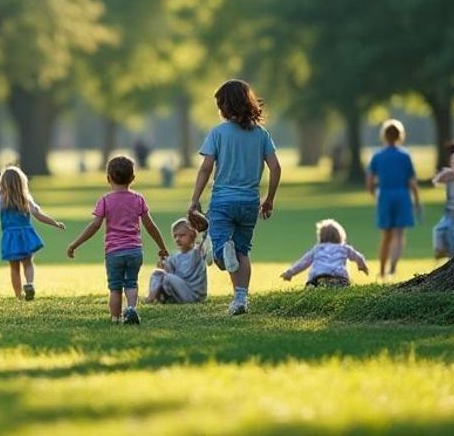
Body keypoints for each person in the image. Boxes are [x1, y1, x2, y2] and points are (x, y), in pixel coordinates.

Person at [187, 79, 282, 316]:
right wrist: (269, 199)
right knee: (242, 251)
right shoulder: (261, 134)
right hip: (250, 202)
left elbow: (206, 168)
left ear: (225, 106)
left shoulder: (218, 133)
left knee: (222, 253)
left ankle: (219, 248)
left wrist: (195, 198)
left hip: (223, 201)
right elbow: (276, 168)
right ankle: (240, 299)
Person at [67, 155, 170, 325]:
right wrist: (162, 247)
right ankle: (131, 310)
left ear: (108, 178)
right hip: (135, 251)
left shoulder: (105, 201)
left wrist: (75, 244)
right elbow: (150, 226)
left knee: (115, 287)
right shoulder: (138, 199)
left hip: (114, 253)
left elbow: (94, 226)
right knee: (131, 283)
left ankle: (115, 318)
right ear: (133, 178)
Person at [0, 166, 66, 300]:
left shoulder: (0, 201)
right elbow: (38, 215)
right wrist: (55, 223)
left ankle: (18, 294)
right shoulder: (25, 199)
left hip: (10, 238)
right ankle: (29, 283)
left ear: (2, 183)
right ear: (22, 182)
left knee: (14, 267)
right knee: (28, 263)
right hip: (26, 235)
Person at [367, 119, 423, 278]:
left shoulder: (377, 156)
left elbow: (370, 180)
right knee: (399, 234)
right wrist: (417, 200)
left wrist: (373, 193)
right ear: (400, 136)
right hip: (402, 195)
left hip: (385, 195)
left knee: (386, 235)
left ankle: (383, 270)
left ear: (383, 136)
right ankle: (393, 267)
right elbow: (412, 181)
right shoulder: (405, 155)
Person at [280, 219, 369, 288]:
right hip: (339, 277)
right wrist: (362, 266)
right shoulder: (344, 248)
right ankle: (335, 284)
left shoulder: (317, 249)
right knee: (342, 284)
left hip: (318, 277)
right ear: (340, 236)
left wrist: (289, 273)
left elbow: (303, 263)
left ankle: (315, 286)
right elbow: (358, 257)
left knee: (312, 285)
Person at [145, 218, 209, 304]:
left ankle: (153, 298)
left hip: (194, 295)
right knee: (157, 273)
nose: (177, 239)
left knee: (167, 277)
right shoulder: (174, 257)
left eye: (182, 235)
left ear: (192, 235)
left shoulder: (197, 253)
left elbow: (205, 235)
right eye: (175, 236)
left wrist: (196, 215)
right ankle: (152, 296)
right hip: (180, 292)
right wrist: (164, 266)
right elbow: (169, 273)